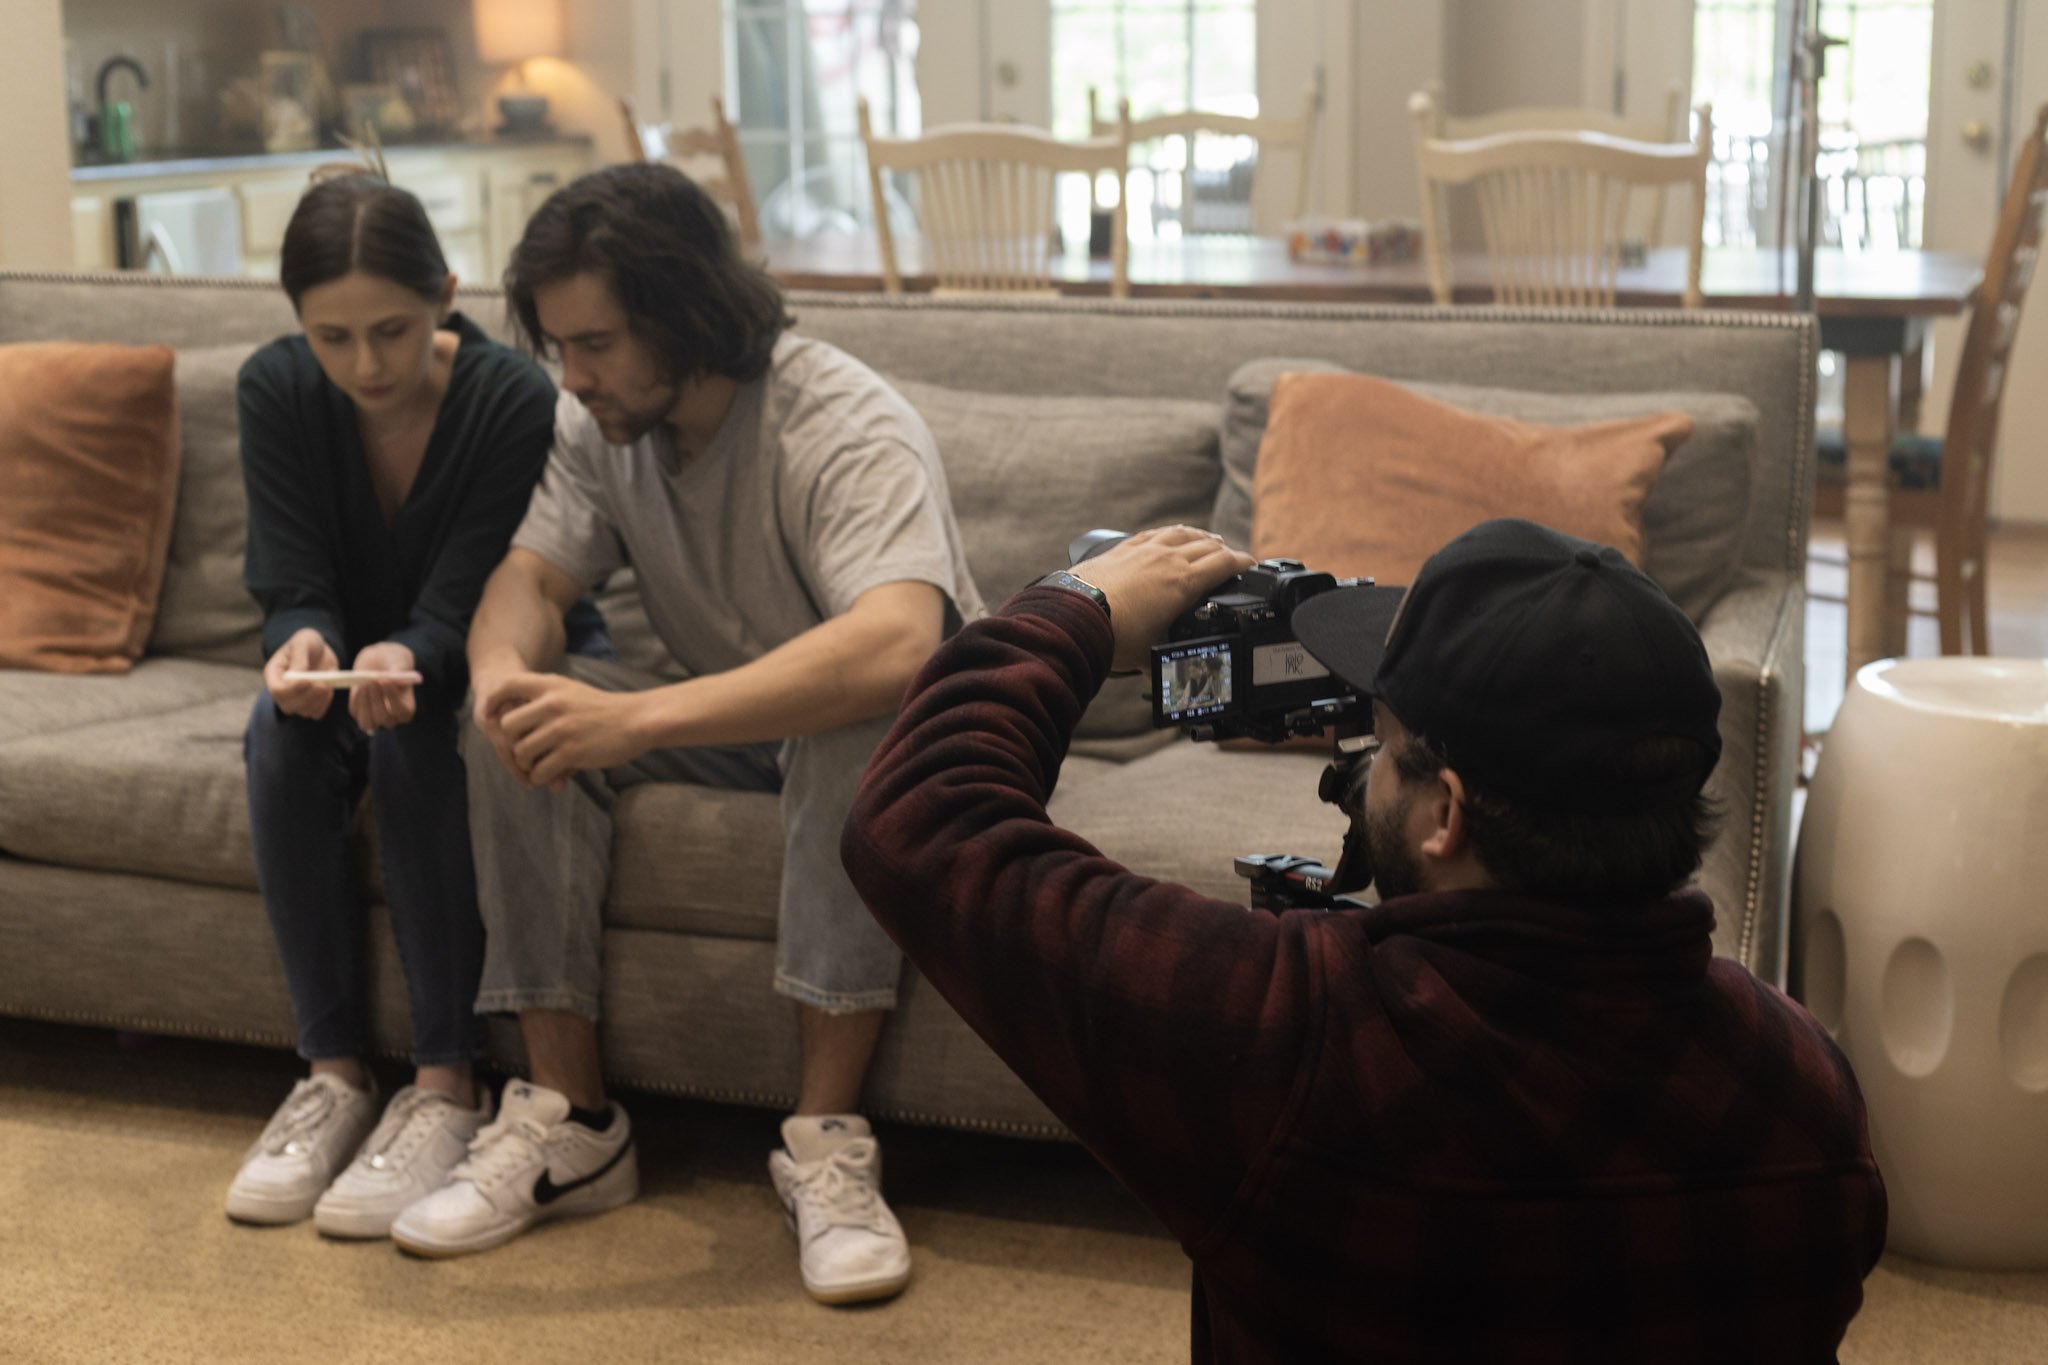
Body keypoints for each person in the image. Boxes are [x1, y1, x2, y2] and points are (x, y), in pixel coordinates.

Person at [842, 519, 1887, 1362]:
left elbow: (921, 821)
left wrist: (1072, 607)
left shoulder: (1284, 1043)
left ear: (1445, 816)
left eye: (1382, 749)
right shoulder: (1805, 1085)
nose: (1360, 766)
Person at [388, 164, 982, 1306]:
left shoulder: (841, 424)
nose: (572, 376)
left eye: (597, 343)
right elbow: (528, 576)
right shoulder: (594, 422)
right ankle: (573, 1119)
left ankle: (825, 1140)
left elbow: (901, 643)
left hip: (912, 730)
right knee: (518, 717)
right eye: (559, 346)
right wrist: (505, 673)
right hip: (734, 721)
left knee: (852, 724)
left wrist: (636, 716)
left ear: (684, 310)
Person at [228, 173, 605, 1236]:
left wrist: (408, 652)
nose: (365, 366)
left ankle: (446, 1086)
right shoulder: (275, 390)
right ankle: (333, 1077)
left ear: (444, 291)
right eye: (331, 336)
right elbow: (292, 579)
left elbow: (474, 599)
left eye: (391, 330)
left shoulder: (510, 397)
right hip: (363, 665)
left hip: (477, 655)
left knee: (420, 743)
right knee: (279, 729)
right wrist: (299, 640)